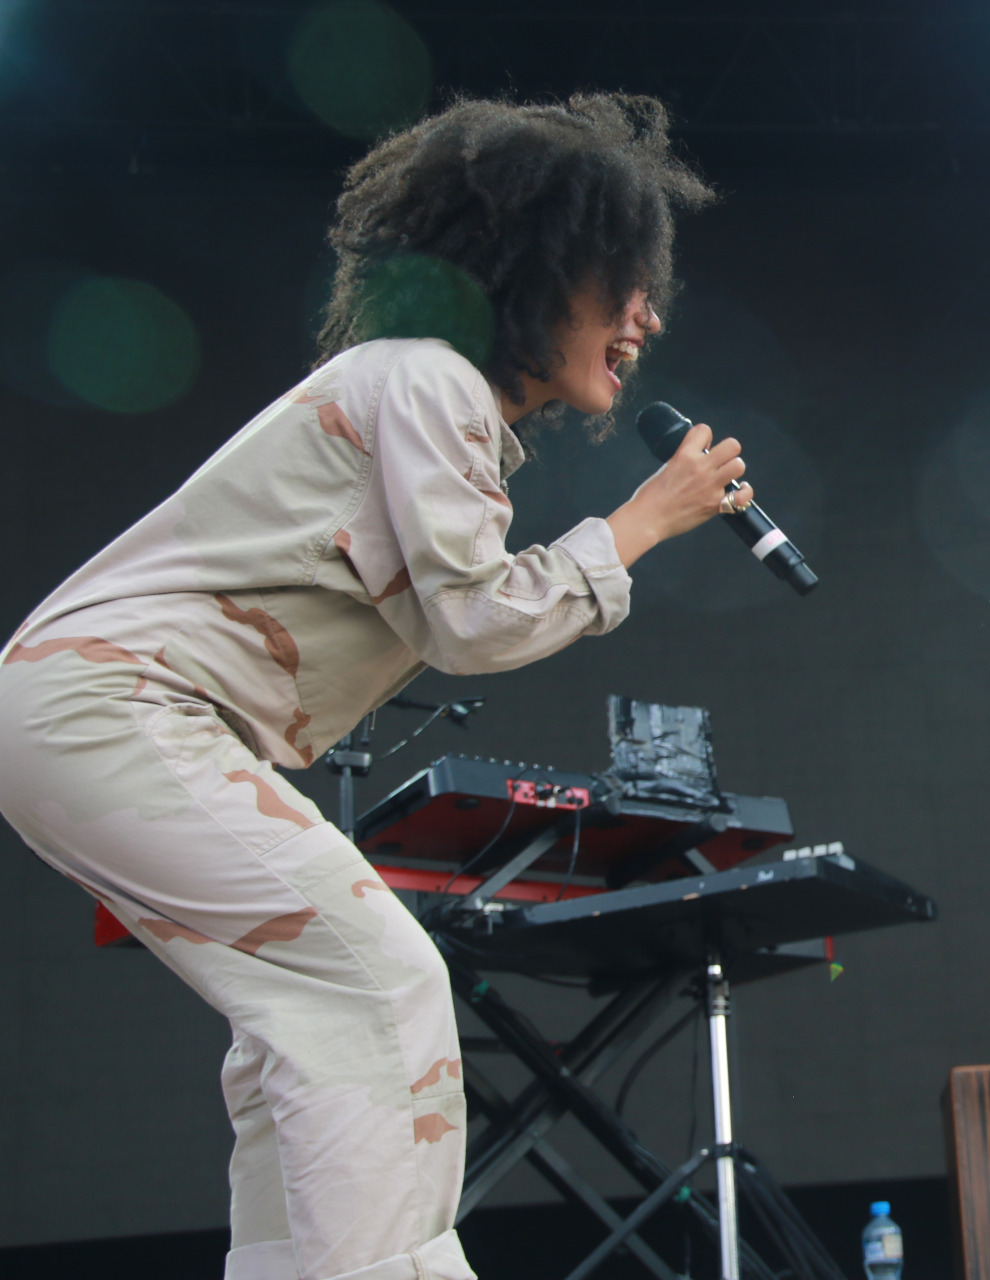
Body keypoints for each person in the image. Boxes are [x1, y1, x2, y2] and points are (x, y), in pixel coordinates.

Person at [0, 93, 746, 1280]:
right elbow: (469, 618)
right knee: (378, 983)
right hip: (117, 706)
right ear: (538, 272)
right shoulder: (426, 382)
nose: (647, 315)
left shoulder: (416, 391)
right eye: (621, 281)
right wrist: (640, 526)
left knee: (295, 1026)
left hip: (87, 714)